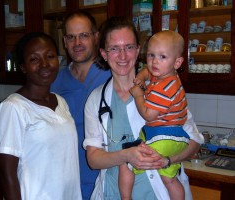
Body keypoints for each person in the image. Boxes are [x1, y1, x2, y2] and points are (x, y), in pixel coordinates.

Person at [83, 16, 204, 200]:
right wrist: (127, 155)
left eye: (129, 47)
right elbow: (93, 159)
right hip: (112, 194)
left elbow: (194, 141)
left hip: (159, 194)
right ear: (104, 54)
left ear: (138, 50)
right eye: (114, 48)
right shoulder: (96, 99)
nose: (122, 56)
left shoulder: (163, 89)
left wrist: (168, 160)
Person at [0, 32, 82, 200]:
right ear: (23, 67)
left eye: (50, 56)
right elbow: (6, 174)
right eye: (34, 59)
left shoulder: (61, 102)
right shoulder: (12, 108)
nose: (44, 65)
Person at [118, 30, 189, 200]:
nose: (154, 61)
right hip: (173, 135)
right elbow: (147, 71)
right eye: (151, 55)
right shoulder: (166, 75)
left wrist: (138, 95)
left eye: (162, 57)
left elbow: (148, 115)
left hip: (165, 136)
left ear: (177, 62)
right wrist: (141, 78)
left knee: (126, 161)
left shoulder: (163, 89)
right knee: (169, 179)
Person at [51, 11, 111, 199]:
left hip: (106, 178)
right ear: (64, 41)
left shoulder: (112, 77)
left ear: (96, 37)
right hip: (66, 180)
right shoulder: (54, 82)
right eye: (71, 37)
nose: (77, 43)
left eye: (84, 35)